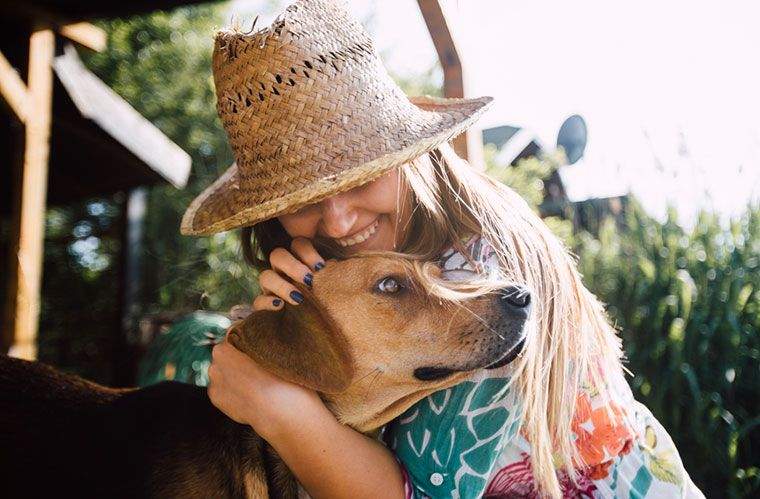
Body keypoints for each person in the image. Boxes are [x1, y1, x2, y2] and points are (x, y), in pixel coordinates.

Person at [181, 1, 703, 497]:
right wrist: (291, 332)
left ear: (408, 154)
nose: (338, 220)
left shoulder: (482, 272)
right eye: (303, 198)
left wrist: (280, 407)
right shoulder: (381, 270)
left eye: (360, 175)